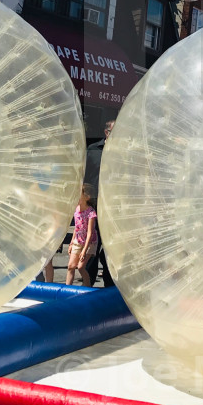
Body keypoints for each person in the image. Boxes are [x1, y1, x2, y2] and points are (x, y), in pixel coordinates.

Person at [83, 121, 114, 286]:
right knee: (92, 243)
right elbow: (85, 176)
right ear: (106, 132)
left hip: (113, 206)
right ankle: (89, 279)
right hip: (94, 204)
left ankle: (110, 281)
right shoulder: (93, 151)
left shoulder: (122, 153)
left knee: (111, 245)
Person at [66, 186, 98, 286]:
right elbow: (76, 227)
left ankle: (87, 286)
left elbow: (90, 233)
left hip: (89, 243)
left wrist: (84, 250)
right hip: (78, 240)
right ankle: (66, 290)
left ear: (87, 197)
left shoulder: (91, 213)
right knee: (71, 266)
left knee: (80, 267)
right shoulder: (76, 210)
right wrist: (71, 243)